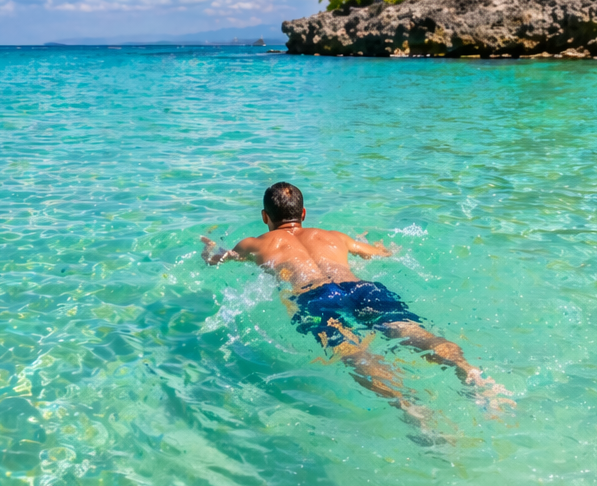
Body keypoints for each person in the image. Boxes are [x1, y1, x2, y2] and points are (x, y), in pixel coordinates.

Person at [200, 182, 512, 428]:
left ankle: (409, 405)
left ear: (265, 217)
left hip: (314, 297)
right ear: (304, 214)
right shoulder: (334, 236)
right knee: (412, 331)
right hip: (359, 287)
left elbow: (220, 261)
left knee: (356, 353)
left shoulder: (256, 243)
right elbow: (382, 253)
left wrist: (212, 251)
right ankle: (470, 372)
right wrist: (374, 245)